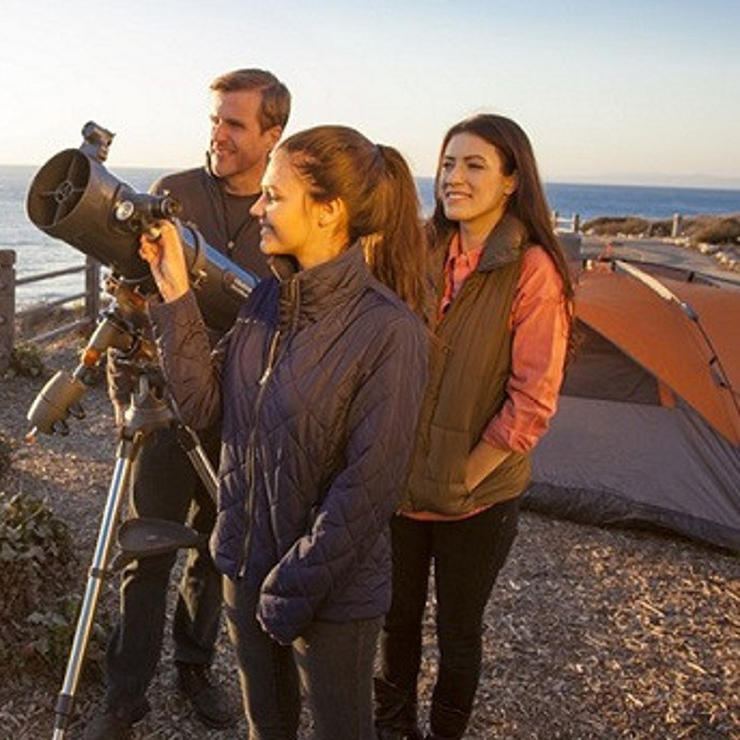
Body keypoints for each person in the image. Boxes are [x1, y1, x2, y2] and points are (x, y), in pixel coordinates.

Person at [139, 125, 429, 740]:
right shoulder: (267, 300)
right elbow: (206, 408)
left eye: (273, 196)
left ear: (328, 211)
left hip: (331, 596)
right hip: (247, 568)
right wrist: (173, 295)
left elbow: (369, 487)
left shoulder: (389, 331)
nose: (255, 207)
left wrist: (289, 590)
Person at [83, 68, 291, 739]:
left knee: (216, 548)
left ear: (272, 133)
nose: (218, 135)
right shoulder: (173, 192)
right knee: (146, 549)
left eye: (234, 124)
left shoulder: (283, 209)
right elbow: (137, 283)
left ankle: (195, 667)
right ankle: (123, 697)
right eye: (214, 121)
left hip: (242, 412)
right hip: (167, 396)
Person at [374, 113, 575, 740]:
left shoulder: (533, 269)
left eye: (474, 165)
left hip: (476, 497)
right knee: (394, 621)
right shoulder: (422, 249)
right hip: (403, 488)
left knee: (460, 635)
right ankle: (392, 728)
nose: (453, 178)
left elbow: (533, 398)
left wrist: (465, 474)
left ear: (512, 180)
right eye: (447, 164)